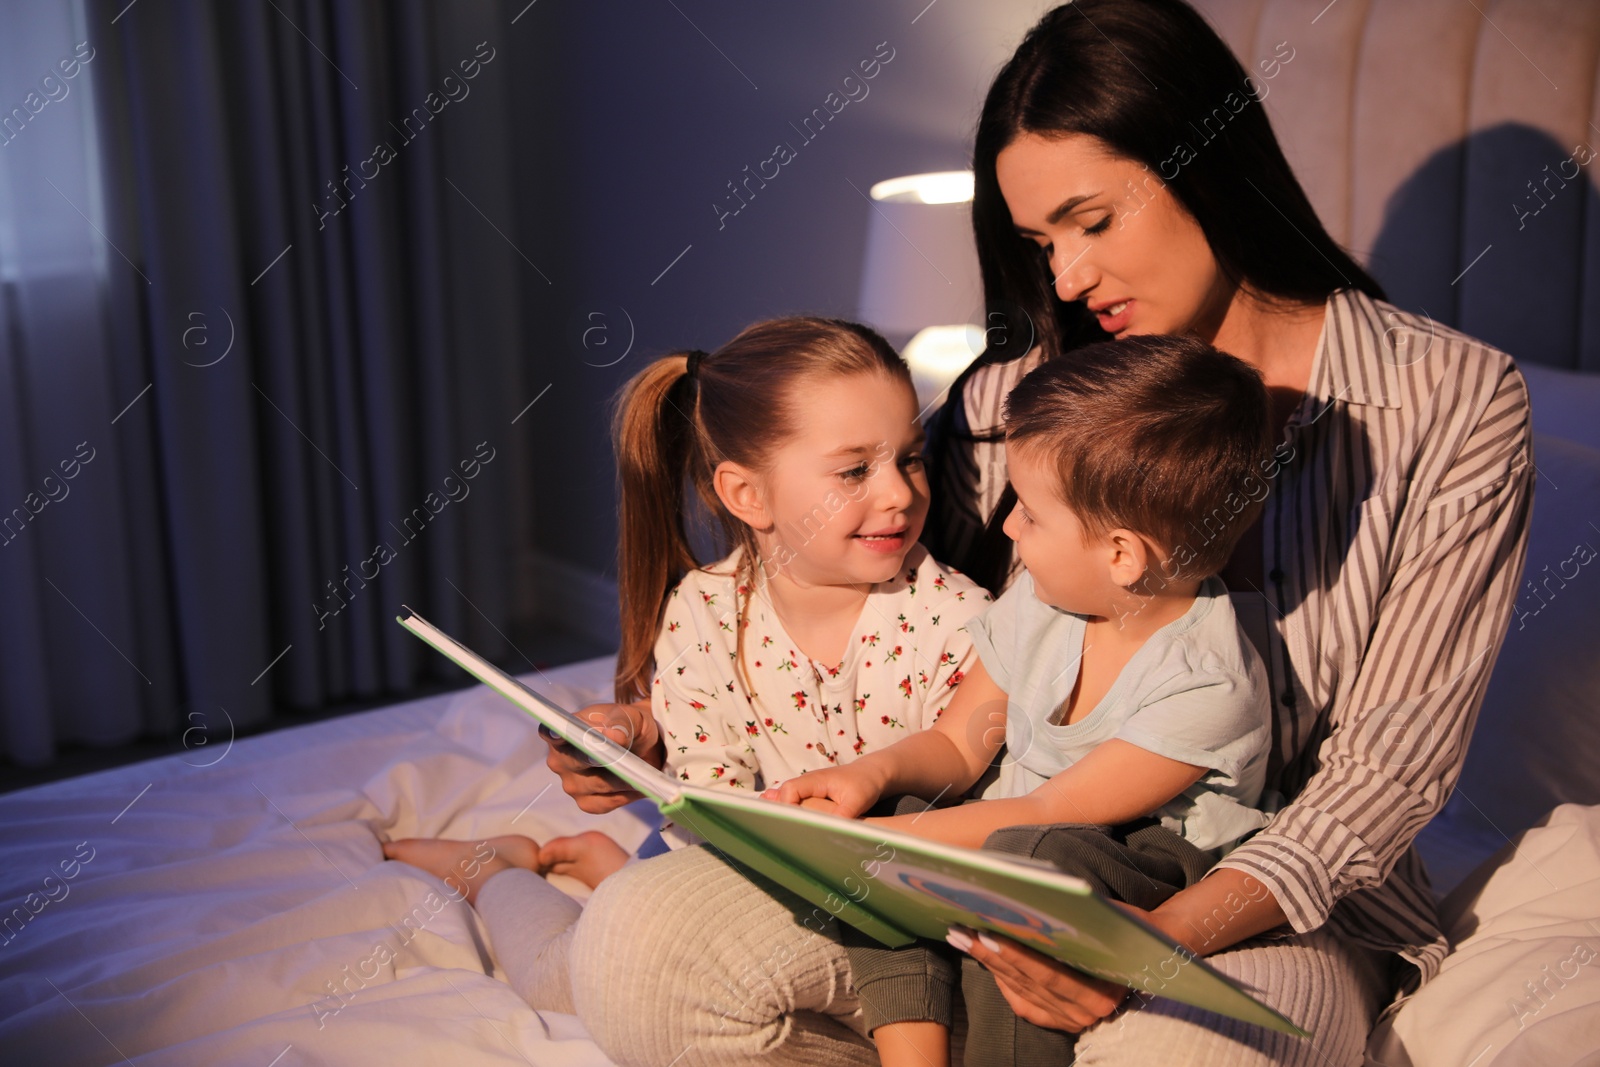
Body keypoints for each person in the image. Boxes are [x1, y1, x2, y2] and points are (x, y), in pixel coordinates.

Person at [543, 1, 1534, 1064]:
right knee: (639, 949)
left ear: (1208, 164)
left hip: (1255, 897)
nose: (1063, 280)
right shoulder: (1012, 399)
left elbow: (1382, 775)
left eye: (1092, 222)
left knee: (1178, 1055)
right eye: (1038, 243)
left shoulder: (1449, 404)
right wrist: (650, 728)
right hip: (1003, 852)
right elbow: (855, 593)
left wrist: (1151, 945)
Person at [384, 316, 991, 1044]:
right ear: (747, 495)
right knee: (560, 975)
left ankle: (609, 875)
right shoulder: (705, 608)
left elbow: (963, 795)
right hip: (740, 873)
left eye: (912, 458)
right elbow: (710, 797)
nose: (899, 492)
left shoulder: (958, 620)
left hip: (890, 915)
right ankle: (494, 872)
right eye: (856, 469)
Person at [767, 335, 1280, 1066]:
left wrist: (876, 851)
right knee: (908, 820)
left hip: (1142, 854)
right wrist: (871, 779)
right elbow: (955, 744)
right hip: (1026, 827)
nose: (1007, 527)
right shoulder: (1044, 601)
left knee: (1027, 862)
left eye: (1032, 515)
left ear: (1122, 555)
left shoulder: (1209, 683)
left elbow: (1051, 814)